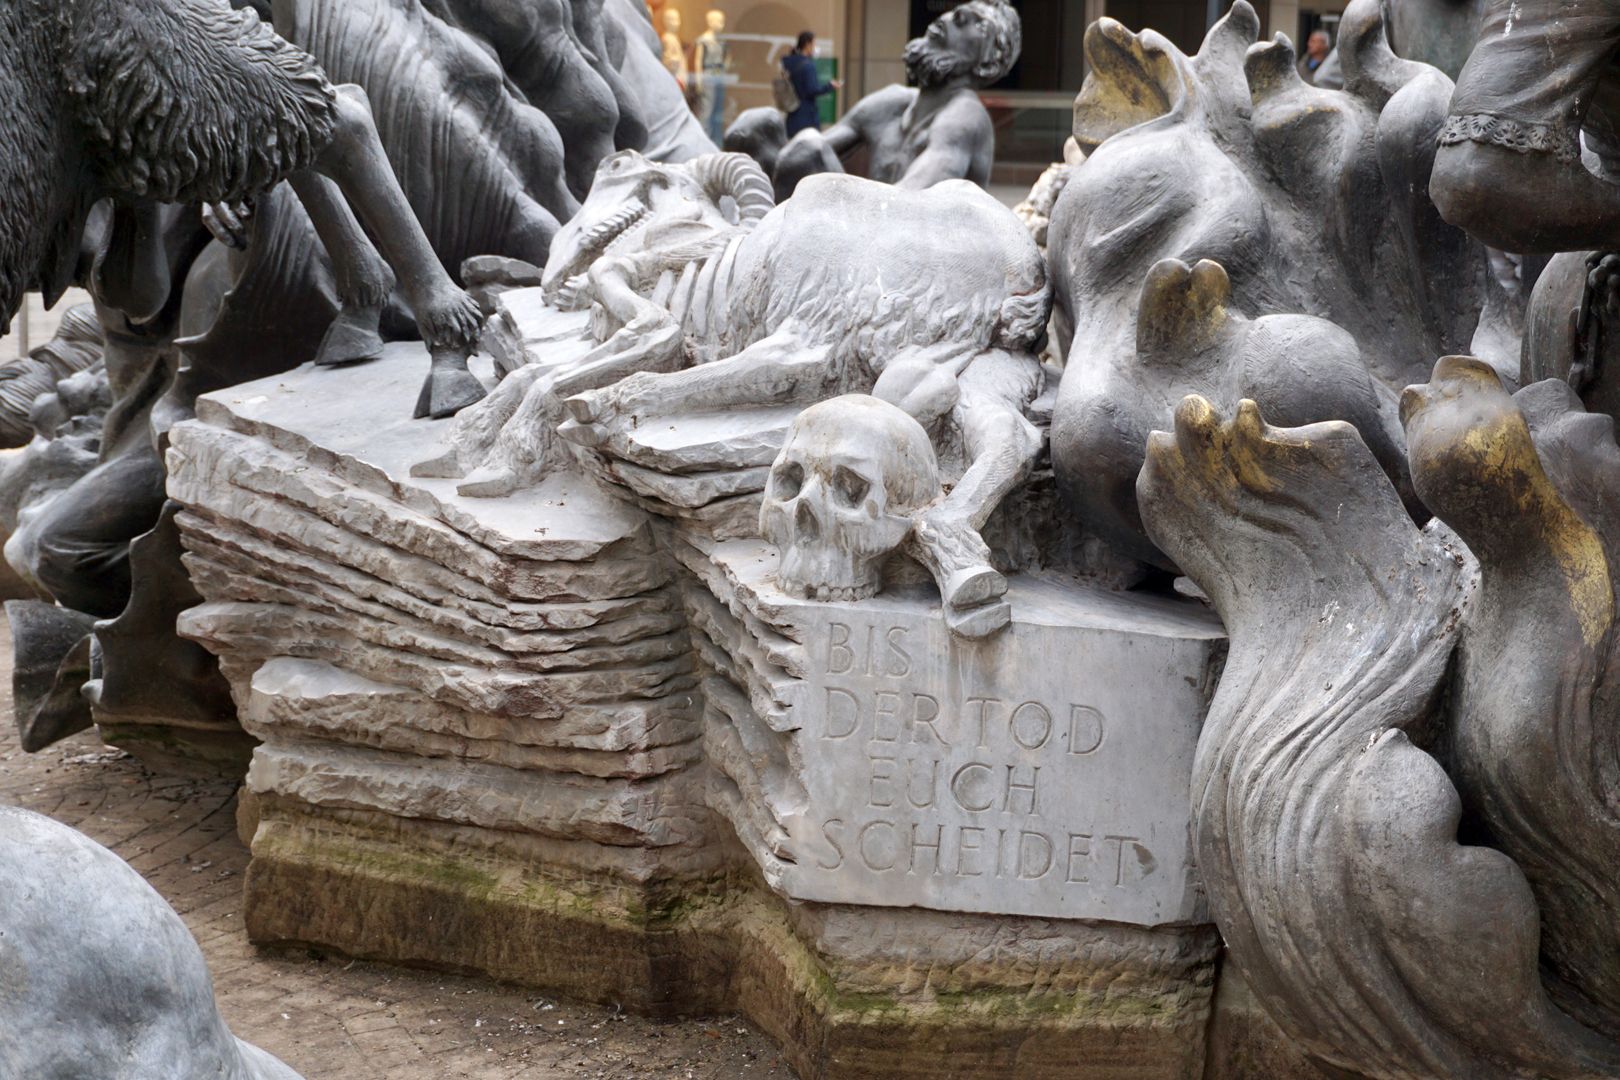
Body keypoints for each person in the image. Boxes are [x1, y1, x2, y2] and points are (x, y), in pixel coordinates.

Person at [771, 0, 1020, 193]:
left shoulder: (965, 116)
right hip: (870, 235)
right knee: (762, 127)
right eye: (957, 11)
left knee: (810, 147)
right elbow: (792, 159)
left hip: (916, 251)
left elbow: (906, 205)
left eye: (978, 24)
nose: (955, 16)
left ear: (987, 65)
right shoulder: (890, 103)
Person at [781, 31, 841, 136]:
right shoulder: (808, 65)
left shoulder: (788, 63)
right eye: (814, 44)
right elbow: (812, 89)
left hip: (792, 115)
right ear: (808, 45)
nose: (815, 47)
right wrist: (830, 86)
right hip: (806, 117)